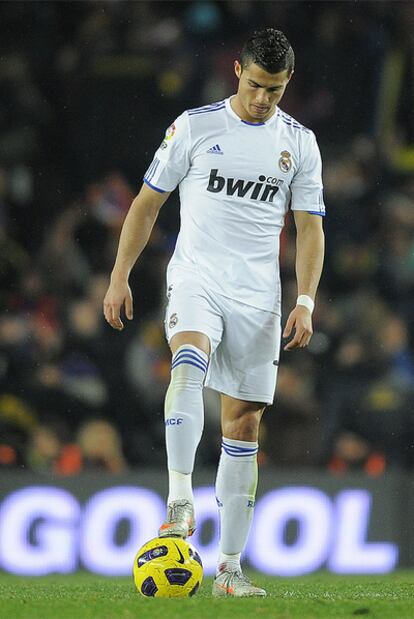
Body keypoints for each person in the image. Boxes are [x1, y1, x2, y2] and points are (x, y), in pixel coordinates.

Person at [103, 27, 325, 597]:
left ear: (287, 83)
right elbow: (147, 203)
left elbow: (309, 227)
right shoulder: (195, 126)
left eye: (273, 90)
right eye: (254, 85)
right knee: (187, 362)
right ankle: (180, 501)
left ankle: (229, 568)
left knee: (244, 425)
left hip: (260, 295)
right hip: (197, 276)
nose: (261, 99)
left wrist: (304, 299)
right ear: (236, 71)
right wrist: (120, 275)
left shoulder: (299, 143)